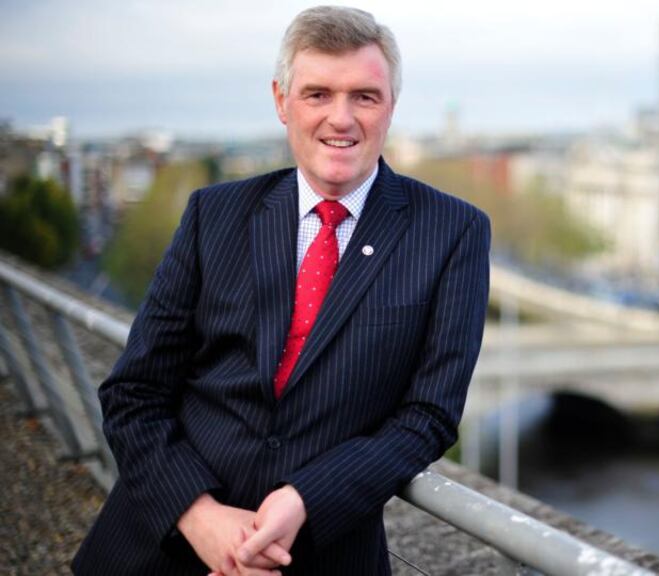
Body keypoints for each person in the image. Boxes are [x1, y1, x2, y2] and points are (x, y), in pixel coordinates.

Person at [73, 6, 490, 575]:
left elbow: (429, 415)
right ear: (281, 101)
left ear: (391, 104)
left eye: (364, 97)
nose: (341, 118)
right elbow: (133, 392)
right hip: (161, 548)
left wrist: (305, 499)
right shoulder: (214, 214)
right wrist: (200, 517)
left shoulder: (454, 231)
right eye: (318, 94)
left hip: (320, 553)